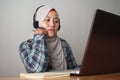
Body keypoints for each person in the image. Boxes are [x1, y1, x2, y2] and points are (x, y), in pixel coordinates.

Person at [19, 5, 79, 73]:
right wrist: (39, 36)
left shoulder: (64, 44)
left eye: (56, 21)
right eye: (47, 20)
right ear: (37, 23)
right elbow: (36, 69)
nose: (52, 24)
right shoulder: (26, 46)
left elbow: (74, 69)